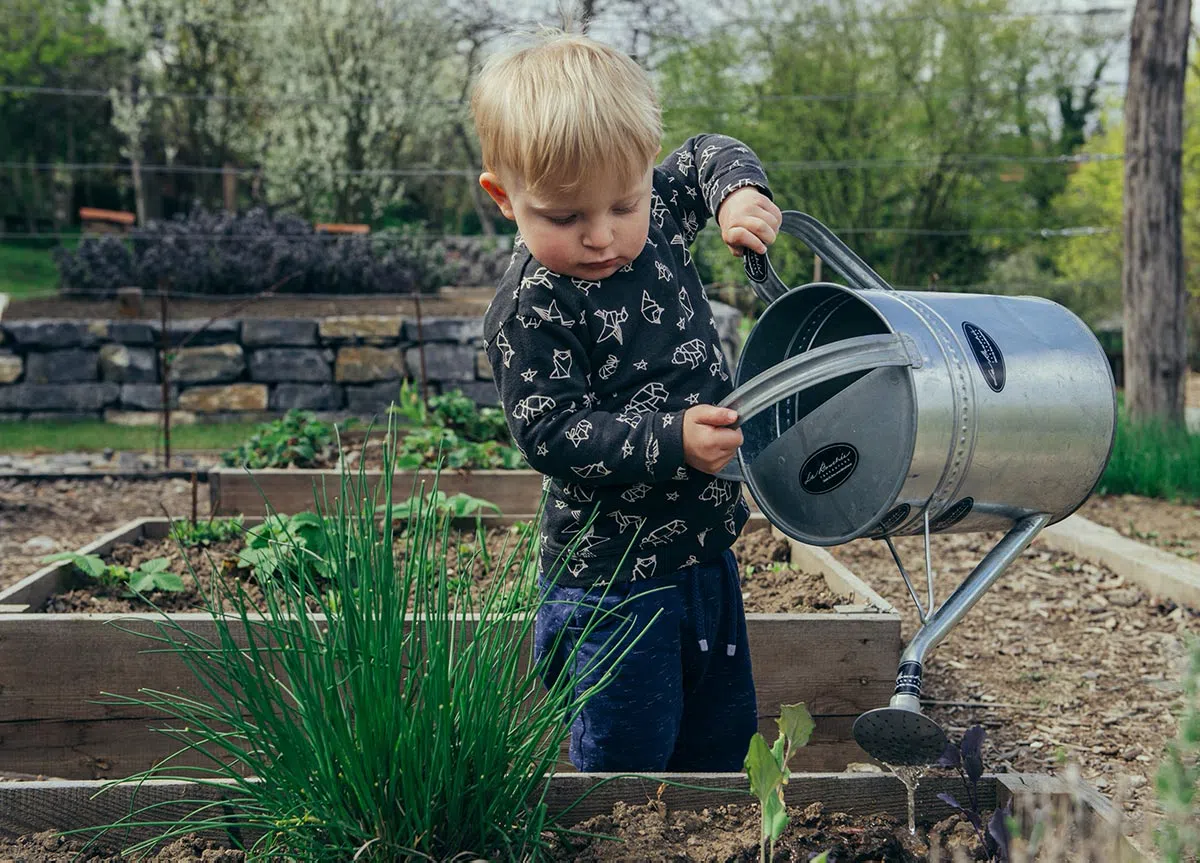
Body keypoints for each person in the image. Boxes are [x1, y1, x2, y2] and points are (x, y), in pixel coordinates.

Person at [472, 30, 782, 772]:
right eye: (563, 217)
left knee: (719, 739)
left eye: (623, 202)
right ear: (503, 197)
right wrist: (671, 439)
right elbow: (552, 432)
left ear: (646, 171)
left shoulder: (664, 214)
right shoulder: (532, 308)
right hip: (613, 584)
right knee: (627, 761)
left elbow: (709, 150)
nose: (602, 235)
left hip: (707, 553)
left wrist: (739, 193)